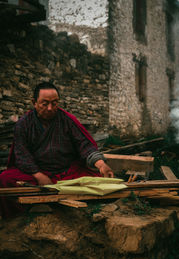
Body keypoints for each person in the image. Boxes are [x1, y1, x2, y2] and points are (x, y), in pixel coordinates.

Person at [0, 82, 113, 217]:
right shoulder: (24, 124)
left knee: (101, 179)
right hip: (36, 173)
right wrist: (39, 175)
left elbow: (85, 145)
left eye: (54, 103)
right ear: (34, 102)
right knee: (5, 179)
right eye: (44, 103)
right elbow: (22, 155)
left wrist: (101, 164)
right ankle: (19, 217)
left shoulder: (67, 120)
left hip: (66, 172)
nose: (50, 108)